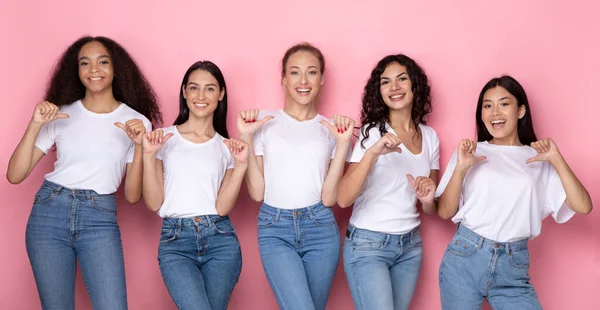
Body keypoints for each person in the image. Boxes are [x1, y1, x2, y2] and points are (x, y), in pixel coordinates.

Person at [6, 36, 161, 310]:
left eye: (103, 62)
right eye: (85, 63)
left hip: (98, 218)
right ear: (76, 71)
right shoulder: (61, 114)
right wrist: (34, 124)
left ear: (116, 69)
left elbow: (133, 196)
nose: (94, 69)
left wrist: (139, 147)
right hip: (49, 213)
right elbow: (15, 175)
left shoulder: (136, 122)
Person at [435, 75, 593, 310]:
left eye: (504, 104)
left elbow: (584, 206)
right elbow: (445, 212)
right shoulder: (471, 151)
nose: (495, 112)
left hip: (513, 266)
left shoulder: (539, 158)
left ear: (520, 111)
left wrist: (557, 159)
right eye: (487, 106)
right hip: (464, 258)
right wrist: (460, 168)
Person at [237, 42, 354, 310]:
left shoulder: (331, 130)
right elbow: (257, 193)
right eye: (295, 72)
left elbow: (328, 198)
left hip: (320, 227)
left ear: (322, 79)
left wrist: (343, 144)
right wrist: (246, 137)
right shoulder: (264, 123)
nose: (303, 81)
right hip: (275, 227)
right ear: (283, 79)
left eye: (311, 72)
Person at [337, 54, 439, 310]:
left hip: (410, 246)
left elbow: (430, 205)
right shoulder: (372, 133)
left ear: (415, 85)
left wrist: (428, 200)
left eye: (402, 79)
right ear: (379, 91)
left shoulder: (430, 137)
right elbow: (343, 197)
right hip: (368, 245)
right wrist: (372, 153)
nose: (394, 87)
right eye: (386, 82)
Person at [141, 61, 245, 310]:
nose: (201, 96)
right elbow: (154, 202)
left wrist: (241, 166)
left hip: (220, 239)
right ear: (184, 92)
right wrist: (147, 155)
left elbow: (222, 208)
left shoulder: (228, 147)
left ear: (220, 94)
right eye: (194, 88)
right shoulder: (163, 139)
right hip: (176, 242)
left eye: (209, 89)